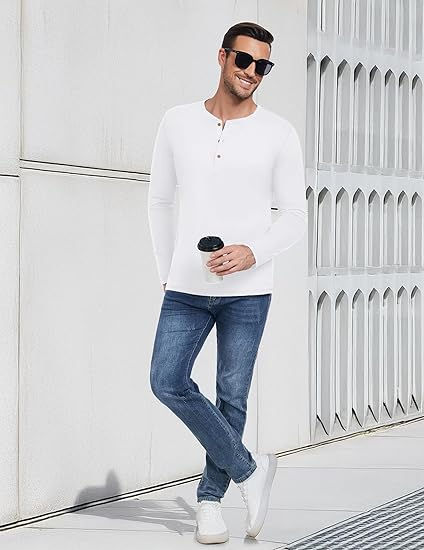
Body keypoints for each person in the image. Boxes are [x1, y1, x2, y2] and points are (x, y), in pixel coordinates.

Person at [148, 21, 308, 544]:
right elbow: (160, 200)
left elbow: (294, 216)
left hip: (248, 290)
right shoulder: (177, 122)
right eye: (244, 60)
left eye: (263, 65)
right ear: (222, 57)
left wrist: (252, 252)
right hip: (186, 286)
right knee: (166, 381)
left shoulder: (279, 133)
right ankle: (249, 469)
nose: (252, 72)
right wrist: (167, 271)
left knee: (231, 397)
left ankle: (210, 502)